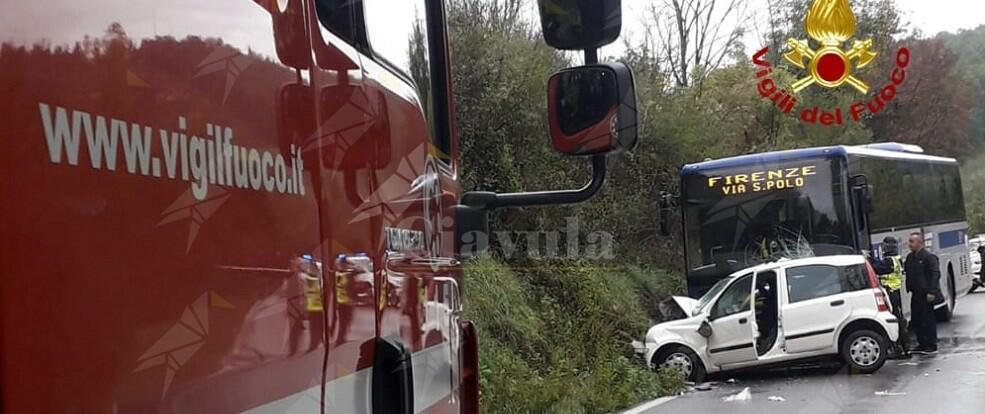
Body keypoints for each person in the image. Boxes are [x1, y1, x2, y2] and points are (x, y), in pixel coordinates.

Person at [869, 237, 908, 357]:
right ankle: (902, 347)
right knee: (897, 318)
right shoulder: (895, 258)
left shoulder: (891, 261)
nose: (884, 248)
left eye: (885, 246)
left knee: (895, 318)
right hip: (893, 292)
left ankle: (901, 347)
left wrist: (868, 258)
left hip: (891, 293)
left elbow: (878, 268)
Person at [904, 232, 942, 354]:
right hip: (915, 293)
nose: (909, 244)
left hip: (926, 293)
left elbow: (935, 274)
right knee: (917, 318)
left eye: (912, 241)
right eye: (909, 241)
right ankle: (921, 343)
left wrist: (932, 291)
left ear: (920, 243)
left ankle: (931, 343)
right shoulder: (910, 258)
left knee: (927, 318)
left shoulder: (928, 257)